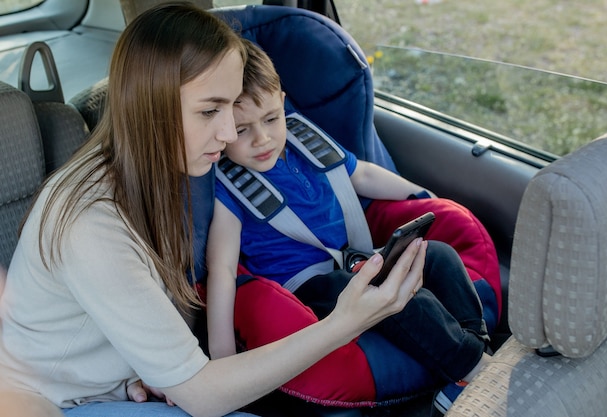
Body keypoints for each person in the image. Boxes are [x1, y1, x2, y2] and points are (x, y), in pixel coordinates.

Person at [0, 4, 427, 417]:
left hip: (118, 383)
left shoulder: (161, 173)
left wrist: (139, 367)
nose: (227, 134)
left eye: (230, 108)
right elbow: (204, 396)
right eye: (210, 111)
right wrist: (344, 323)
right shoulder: (90, 222)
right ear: (151, 108)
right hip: (48, 403)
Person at [207, 39, 491, 414]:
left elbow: (363, 176)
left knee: (436, 253)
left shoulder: (304, 139)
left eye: (272, 119)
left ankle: (475, 353)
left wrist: (421, 196)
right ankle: (471, 368)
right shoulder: (227, 187)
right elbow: (222, 270)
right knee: (381, 286)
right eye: (242, 130)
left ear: (283, 103)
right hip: (308, 288)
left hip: (357, 259)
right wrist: (222, 359)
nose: (262, 139)